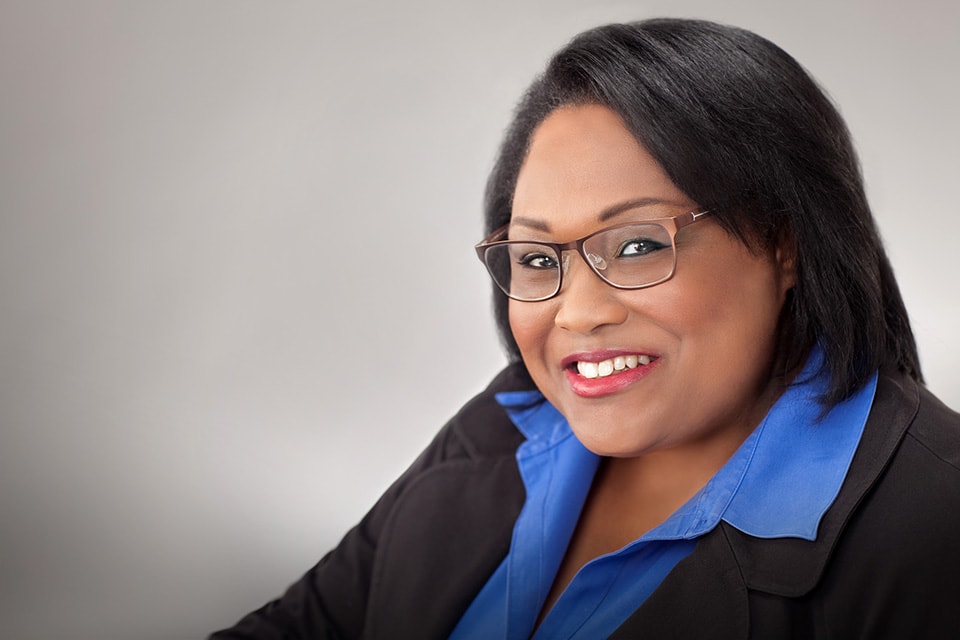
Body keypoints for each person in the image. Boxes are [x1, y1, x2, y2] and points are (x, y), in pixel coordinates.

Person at [211, 18, 960, 639]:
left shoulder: (935, 527)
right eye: (538, 257)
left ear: (783, 241)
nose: (577, 313)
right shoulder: (510, 426)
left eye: (636, 245)